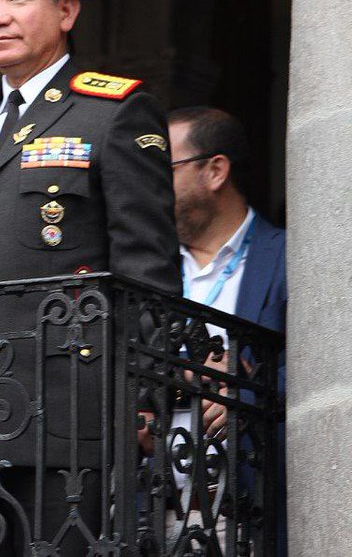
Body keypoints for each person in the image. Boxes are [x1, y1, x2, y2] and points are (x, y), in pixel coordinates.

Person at [0, 0, 180, 555]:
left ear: (66, 12)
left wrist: (146, 397)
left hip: (63, 416)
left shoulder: (111, 112)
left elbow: (147, 265)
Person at [165, 106, 287, 553]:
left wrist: (245, 385)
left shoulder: (288, 257)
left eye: (163, 166)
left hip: (248, 511)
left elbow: (327, 365)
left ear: (215, 171)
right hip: (153, 510)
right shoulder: (144, 270)